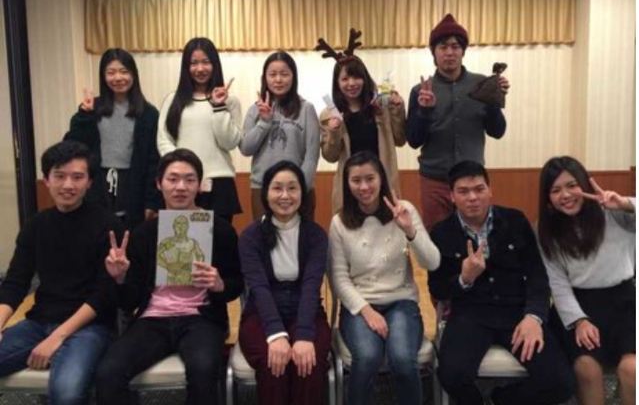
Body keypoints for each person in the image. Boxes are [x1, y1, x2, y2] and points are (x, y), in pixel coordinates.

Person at [95, 149, 243, 405]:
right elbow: (129, 301)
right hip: (153, 318)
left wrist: (220, 285)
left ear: (200, 185)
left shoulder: (220, 230)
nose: (180, 187)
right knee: (108, 372)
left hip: (201, 318)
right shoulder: (145, 234)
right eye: (172, 179)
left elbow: (236, 284)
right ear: (159, 183)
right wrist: (119, 278)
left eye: (189, 179)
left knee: (204, 370)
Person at [428, 160, 575, 405]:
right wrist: (464, 278)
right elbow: (437, 288)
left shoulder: (515, 221)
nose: (472, 197)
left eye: (479, 189)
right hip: (470, 315)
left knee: (561, 383)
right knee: (451, 375)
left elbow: (537, 276)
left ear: (490, 190)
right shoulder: (442, 233)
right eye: (463, 191)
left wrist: (534, 317)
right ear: (452, 196)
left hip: (517, 312)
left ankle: (502, 398)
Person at [0, 141, 123, 405]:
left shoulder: (108, 225)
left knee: (67, 393)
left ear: (89, 182)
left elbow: (104, 295)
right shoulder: (36, 225)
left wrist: (57, 338)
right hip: (38, 322)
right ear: (46, 180)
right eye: (59, 176)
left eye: (77, 177)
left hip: (91, 327)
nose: (68, 185)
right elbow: (15, 282)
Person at [328, 151, 440, 405]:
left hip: (401, 303)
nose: (364, 187)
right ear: (347, 184)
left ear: (382, 179)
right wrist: (367, 311)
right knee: (367, 358)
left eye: (370, 178)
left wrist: (410, 231)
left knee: (402, 359)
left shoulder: (404, 210)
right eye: (356, 180)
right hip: (360, 307)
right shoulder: (339, 222)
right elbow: (339, 279)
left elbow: (432, 262)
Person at [537, 156, 635, 405]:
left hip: (624, 302)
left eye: (572, 185)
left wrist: (625, 203)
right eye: (556, 190)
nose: (566, 195)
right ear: (548, 198)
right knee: (586, 368)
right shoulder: (546, 230)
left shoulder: (614, 213)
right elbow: (557, 283)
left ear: (585, 184)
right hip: (578, 305)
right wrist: (579, 320)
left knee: (632, 370)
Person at [238, 160, 331, 405]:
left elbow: (311, 286)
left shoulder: (315, 235)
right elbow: (259, 288)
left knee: (308, 363)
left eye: (292, 188)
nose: (285, 196)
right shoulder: (250, 236)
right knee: (273, 362)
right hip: (261, 313)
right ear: (266, 193)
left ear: (302, 193)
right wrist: (275, 334)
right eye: (277, 188)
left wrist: (304, 334)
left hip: (306, 311)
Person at [406, 14, 509, 230]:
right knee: (438, 239)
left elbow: (497, 131)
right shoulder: (420, 90)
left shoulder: (482, 84)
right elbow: (414, 141)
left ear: (463, 51)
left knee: (477, 234)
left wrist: (493, 99)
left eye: (455, 46)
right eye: (443, 47)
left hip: (472, 181)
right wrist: (424, 111)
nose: (449, 52)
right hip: (434, 181)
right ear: (434, 52)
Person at [65, 48, 160, 229]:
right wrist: (84, 115)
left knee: (130, 233)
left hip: (133, 182)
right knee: (98, 231)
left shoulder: (149, 113)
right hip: (99, 181)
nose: (118, 78)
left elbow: (153, 160)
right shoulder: (93, 107)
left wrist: (152, 201)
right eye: (111, 72)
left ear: (133, 74)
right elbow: (74, 145)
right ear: (103, 76)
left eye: (124, 71)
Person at [157, 37, 242, 224]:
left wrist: (219, 107)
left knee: (219, 241)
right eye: (194, 63)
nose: (200, 68)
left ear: (214, 64)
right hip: (183, 184)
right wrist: (186, 171)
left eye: (206, 62)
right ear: (186, 67)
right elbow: (164, 140)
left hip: (219, 184)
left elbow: (229, 142)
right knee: (182, 239)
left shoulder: (231, 101)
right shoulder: (173, 100)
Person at [319, 54, 406, 214]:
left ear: (364, 79)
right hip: (350, 188)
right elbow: (330, 156)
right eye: (345, 79)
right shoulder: (329, 114)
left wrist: (397, 110)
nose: (351, 83)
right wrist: (334, 131)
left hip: (383, 184)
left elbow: (400, 139)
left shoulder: (381, 107)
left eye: (356, 77)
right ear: (337, 83)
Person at [240, 51, 320, 220]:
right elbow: (246, 148)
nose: (278, 80)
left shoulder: (306, 109)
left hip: (298, 190)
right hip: (262, 187)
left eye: (284, 74)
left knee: (300, 236)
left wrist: (299, 187)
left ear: (293, 77)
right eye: (272, 74)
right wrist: (264, 122)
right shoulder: (255, 109)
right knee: (264, 235)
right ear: (265, 78)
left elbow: (312, 155)